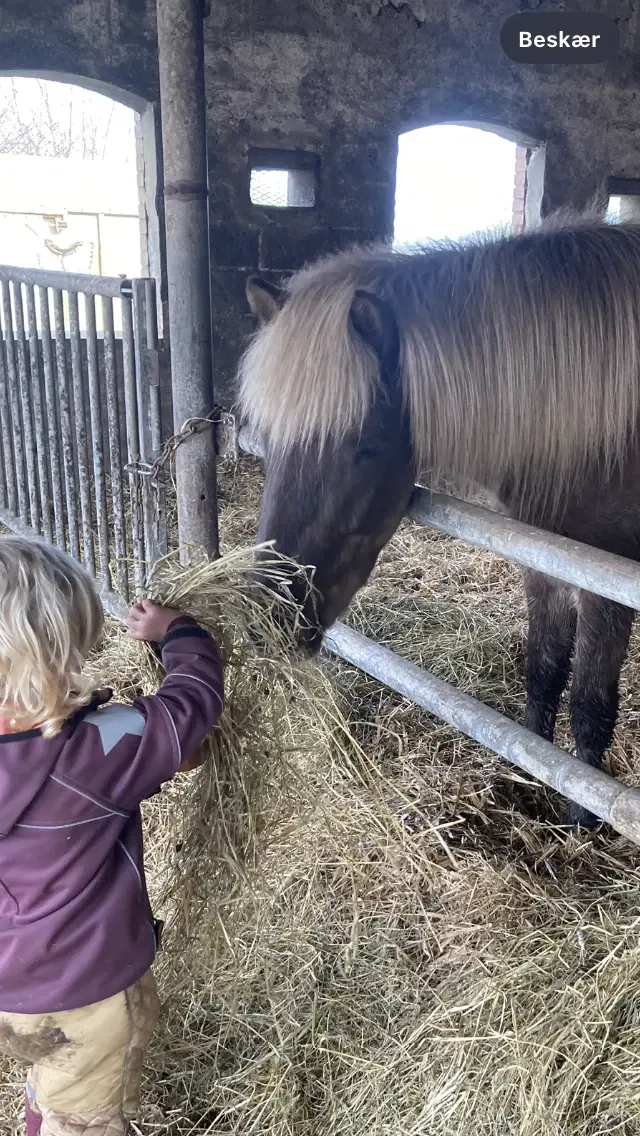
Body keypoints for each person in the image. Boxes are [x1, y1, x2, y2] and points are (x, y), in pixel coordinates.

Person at [0, 536, 224, 1136]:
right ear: (57, 650)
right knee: (89, 1121)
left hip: (17, 981)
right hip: (89, 988)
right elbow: (190, 711)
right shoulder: (95, 748)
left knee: (50, 1080)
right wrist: (181, 634)